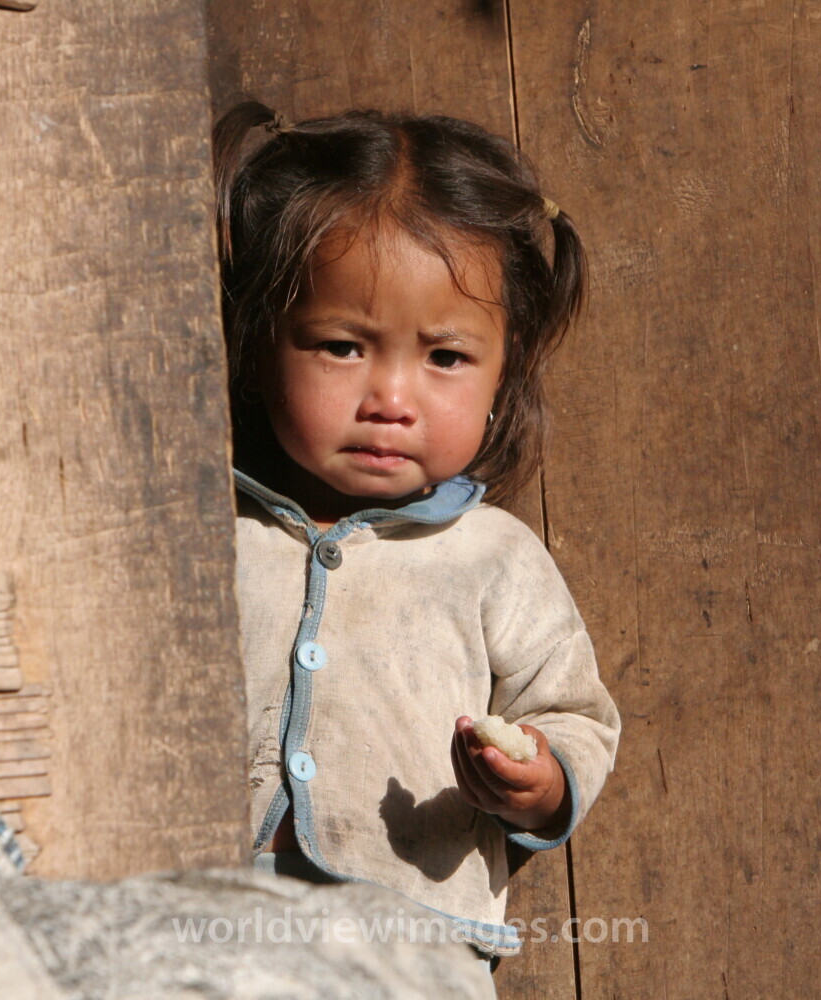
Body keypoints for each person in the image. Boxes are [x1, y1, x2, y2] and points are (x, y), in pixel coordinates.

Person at [212, 101, 621, 970]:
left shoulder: (493, 558)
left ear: (503, 376)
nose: (390, 397)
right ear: (258, 346)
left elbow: (571, 713)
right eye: (340, 345)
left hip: (412, 949)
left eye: (444, 358)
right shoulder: (207, 537)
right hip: (203, 928)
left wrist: (541, 779)